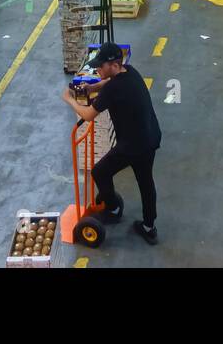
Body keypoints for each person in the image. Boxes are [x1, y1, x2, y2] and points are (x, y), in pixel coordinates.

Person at [59, 42, 162, 245]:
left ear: (114, 65)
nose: (97, 70)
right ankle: (149, 227)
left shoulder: (114, 87)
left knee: (99, 172)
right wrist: (93, 87)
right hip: (150, 136)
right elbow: (107, 85)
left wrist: (69, 100)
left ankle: (113, 209)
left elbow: (88, 115)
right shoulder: (130, 72)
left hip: (132, 145)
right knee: (145, 181)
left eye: (100, 67)